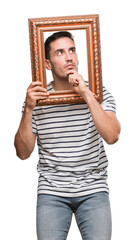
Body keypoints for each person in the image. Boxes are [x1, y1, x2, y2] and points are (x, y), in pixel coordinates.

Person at [14, 31, 121, 240]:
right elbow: (22, 152)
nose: (69, 57)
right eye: (60, 52)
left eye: (72, 50)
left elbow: (112, 136)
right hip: (52, 190)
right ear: (47, 63)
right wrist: (28, 109)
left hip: (93, 188)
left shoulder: (98, 92)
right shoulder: (37, 101)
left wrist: (86, 94)